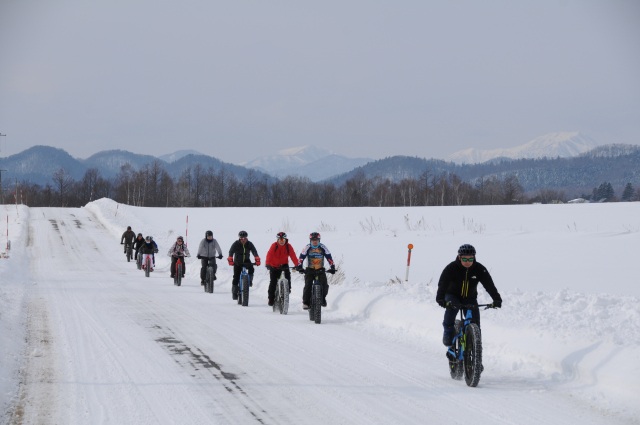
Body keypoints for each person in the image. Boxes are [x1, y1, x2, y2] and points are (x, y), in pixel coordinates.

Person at [436, 244, 502, 346]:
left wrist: (496, 299)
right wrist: (440, 299)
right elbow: (442, 284)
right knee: (452, 308)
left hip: (469, 298)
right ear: (459, 257)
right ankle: (448, 332)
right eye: (465, 259)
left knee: (475, 324)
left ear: (474, 258)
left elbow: (489, 285)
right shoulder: (451, 268)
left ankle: (476, 355)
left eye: (470, 259)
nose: (468, 262)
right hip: (452, 295)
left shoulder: (479, 269)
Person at [295, 232, 335, 309]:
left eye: (316, 239)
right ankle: (306, 303)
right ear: (310, 240)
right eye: (313, 240)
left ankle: (322, 299)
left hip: (320, 269)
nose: (315, 241)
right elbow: (301, 257)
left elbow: (329, 257)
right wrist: (299, 267)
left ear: (319, 240)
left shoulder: (323, 247)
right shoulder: (307, 247)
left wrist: (332, 267)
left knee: (325, 285)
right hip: (309, 270)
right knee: (308, 286)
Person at [265, 232, 299, 306]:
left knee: (288, 278)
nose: (281, 241)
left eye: (283, 239)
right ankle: (271, 299)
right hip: (274, 266)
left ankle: (287, 290)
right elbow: (269, 254)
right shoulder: (274, 245)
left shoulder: (288, 246)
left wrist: (297, 265)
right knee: (273, 282)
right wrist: (267, 264)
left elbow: (293, 255)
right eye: (280, 239)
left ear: (285, 239)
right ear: (277, 239)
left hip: (284, 266)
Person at [227, 230, 260, 300]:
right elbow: (231, 251)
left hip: (246, 261)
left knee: (251, 268)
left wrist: (257, 258)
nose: (243, 240)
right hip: (237, 262)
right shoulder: (236, 244)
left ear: (247, 238)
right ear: (239, 238)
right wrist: (230, 259)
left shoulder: (249, 244)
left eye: (245, 238)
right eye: (242, 238)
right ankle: (234, 292)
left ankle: (249, 281)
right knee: (236, 277)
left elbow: (254, 251)